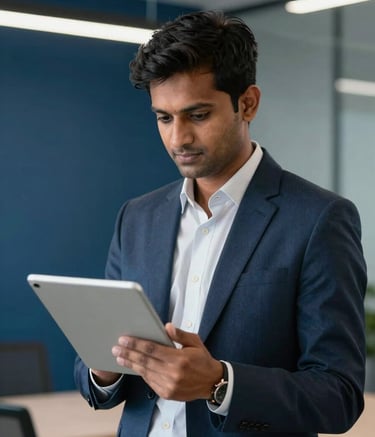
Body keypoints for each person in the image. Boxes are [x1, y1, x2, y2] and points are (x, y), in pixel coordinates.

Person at [74, 10, 367, 437]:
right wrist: (104, 369)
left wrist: (219, 383)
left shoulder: (318, 219)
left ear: (247, 103)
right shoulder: (136, 217)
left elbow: (339, 395)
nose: (178, 139)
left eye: (197, 115)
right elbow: (96, 377)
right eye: (164, 117)